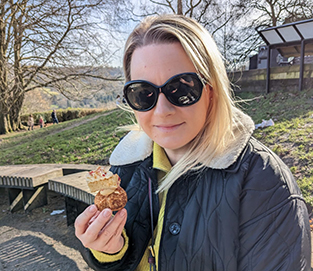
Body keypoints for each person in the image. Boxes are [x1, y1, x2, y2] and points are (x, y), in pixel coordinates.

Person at [75, 15, 311, 271]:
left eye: (182, 88)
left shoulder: (264, 182)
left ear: (212, 90)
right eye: (143, 93)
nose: (162, 110)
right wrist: (110, 251)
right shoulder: (126, 168)